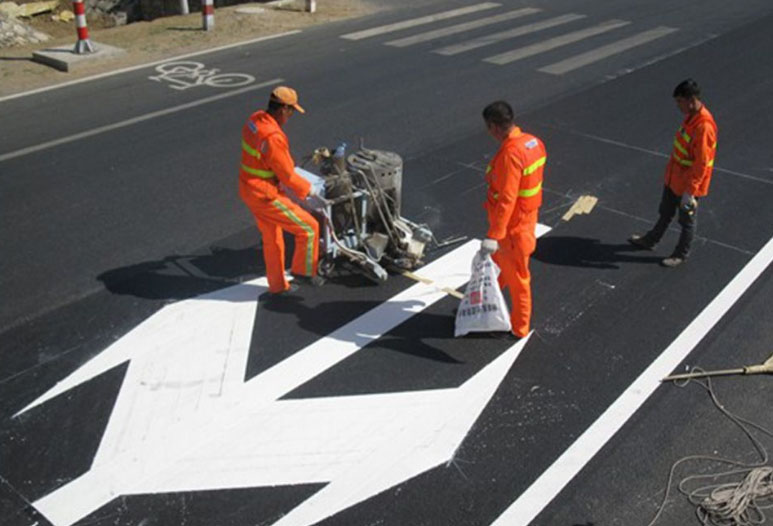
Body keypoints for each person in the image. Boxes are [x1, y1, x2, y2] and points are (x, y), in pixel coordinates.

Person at [238, 86, 324, 294]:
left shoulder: (255, 119)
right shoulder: (273, 136)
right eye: (291, 111)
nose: (291, 116)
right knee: (309, 228)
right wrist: (309, 189)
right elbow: (287, 174)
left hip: (248, 187)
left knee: (272, 238)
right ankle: (304, 272)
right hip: (265, 194)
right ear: (283, 109)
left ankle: (277, 286)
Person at [629, 79, 718, 267]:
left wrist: (690, 192)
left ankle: (681, 254)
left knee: (686, 221)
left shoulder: (704, 127)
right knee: (665, 212)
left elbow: (701, 164)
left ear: (691, 100)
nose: (678, 106)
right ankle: (651, 240)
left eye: (680, 101)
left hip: (688, 183)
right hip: (675, 177)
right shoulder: (691, 118)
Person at [479, 101, 546, 338]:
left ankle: (520, 327)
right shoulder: (533, 142)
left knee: (518, 277)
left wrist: (494, 235)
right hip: (525, 219)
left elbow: (507, 197)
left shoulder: (510, 153)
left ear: (494, 127)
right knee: (499, 267)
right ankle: (485, 303)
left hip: (512, 228)